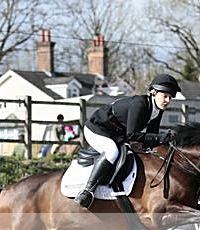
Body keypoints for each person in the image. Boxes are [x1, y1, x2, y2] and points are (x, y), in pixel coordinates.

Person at [76, 73, 180, 208]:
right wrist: (160, 137)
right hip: (97, 128)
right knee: (111, 151)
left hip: (117, 133)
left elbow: (151, 136)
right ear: (154, 92)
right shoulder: (140, 104)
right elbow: (132, 135)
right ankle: (87, 191)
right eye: (165, 96)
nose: (167, 100)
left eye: (170, 97)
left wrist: (165, 142)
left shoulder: (157, 110)